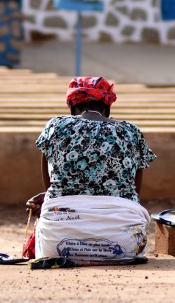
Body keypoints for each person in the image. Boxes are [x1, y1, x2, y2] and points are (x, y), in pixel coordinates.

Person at [25, 76, 156, 265]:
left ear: (71, 107)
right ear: (108, 106)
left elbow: (53, 189)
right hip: (125, 244)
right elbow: (134, 193)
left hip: (55, 244)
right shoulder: (131, 131)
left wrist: (51, 198)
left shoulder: (55, 127)